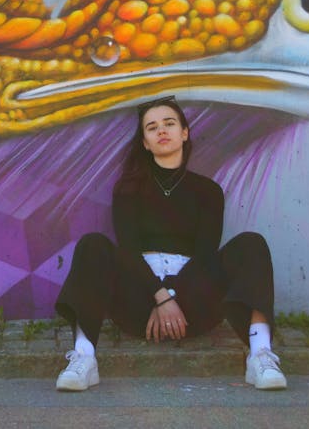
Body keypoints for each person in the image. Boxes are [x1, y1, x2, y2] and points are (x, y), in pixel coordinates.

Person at [54, 95, 286, 391]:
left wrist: (173, 297)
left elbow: (205, 255)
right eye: (151, 128)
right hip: (139, 302)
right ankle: (84, 359)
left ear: (184, 133)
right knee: (92, 245)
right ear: (145, 143)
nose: (161, 130)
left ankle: (260, 355)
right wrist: (159, 297)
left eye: (169, 123)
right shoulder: (128, 188)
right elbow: (128, 250)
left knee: (251, 244)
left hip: (193, 303)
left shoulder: (208, 191)